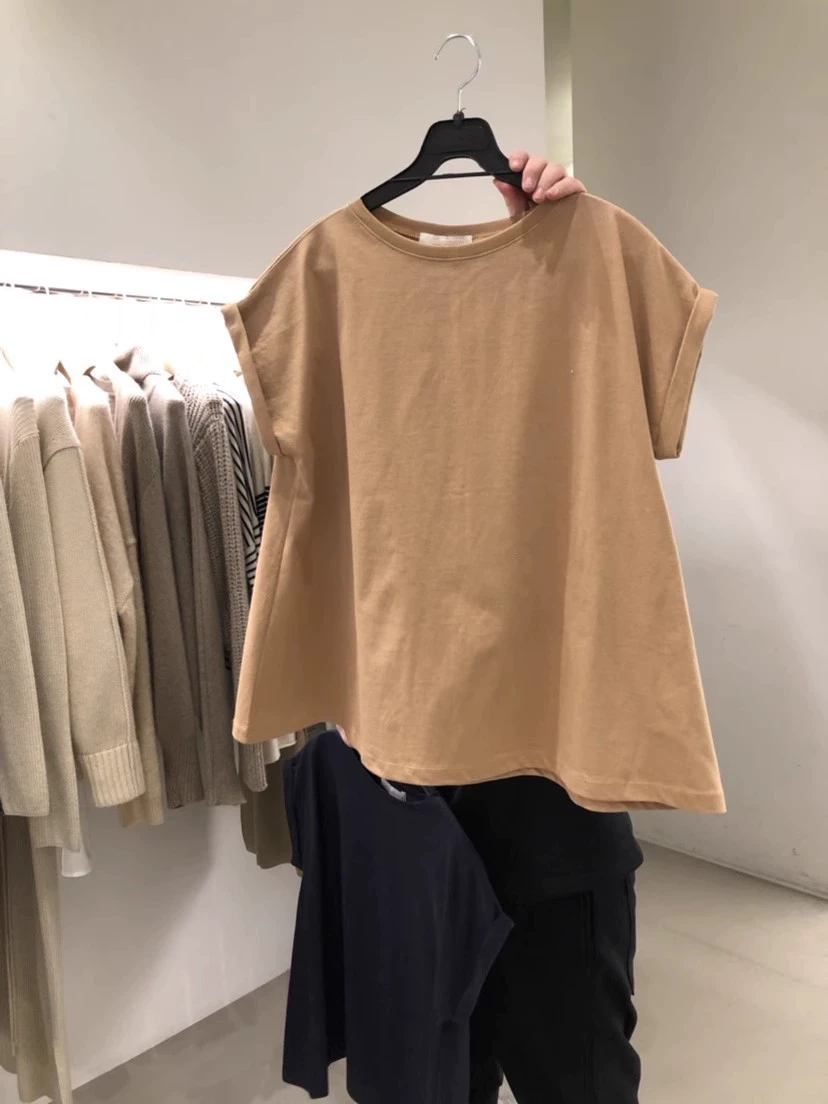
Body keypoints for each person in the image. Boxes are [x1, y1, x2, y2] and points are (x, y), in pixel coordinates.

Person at [448, 151, 644, 1104]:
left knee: (576, 1081)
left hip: (555, 818)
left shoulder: (574, 323)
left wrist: (562, 250)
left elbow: (638, 370)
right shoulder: (339, 308)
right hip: (407, 819)